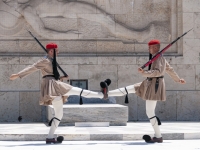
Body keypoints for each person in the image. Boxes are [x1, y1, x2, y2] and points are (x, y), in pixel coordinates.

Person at [10, 42, 109, 144]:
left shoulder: (51, 61)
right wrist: (18, 75)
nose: (58, 52)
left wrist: (62, 78)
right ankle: (101, 94)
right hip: (53, 85)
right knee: (77, 90)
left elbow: (51, 75)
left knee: (59, 115)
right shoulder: (45, 60)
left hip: (53, 84)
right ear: (51, 51)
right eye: (56, 50)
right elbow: (33, 67)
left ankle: (50, 137)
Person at [104, 39, 186, 143]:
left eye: (150, 47)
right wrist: (178, 79)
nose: (148, 49)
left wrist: (144, 72)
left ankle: (158, 136)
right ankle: (107, 93)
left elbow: (158, 72)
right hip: (148, 83)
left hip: (154, 86)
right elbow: (170, 69)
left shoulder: (159, 58)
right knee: (130, 88)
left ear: (155, 47)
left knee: (150, 112)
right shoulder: (158, 57)